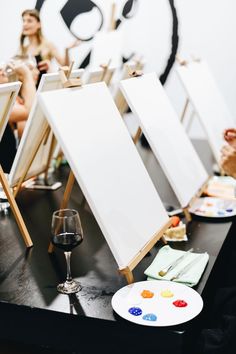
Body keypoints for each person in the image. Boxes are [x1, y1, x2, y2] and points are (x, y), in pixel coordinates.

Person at [18, 9, 80, 83]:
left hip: (43, 88)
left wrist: (66, 50)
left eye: (29, 21)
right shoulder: (23, 49)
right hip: (29, 90)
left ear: (39, 24)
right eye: (23, 21)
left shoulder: (48, 45)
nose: (25, 24)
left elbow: (65, 66)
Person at [0, 62, 36, 173]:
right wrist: (26, 75)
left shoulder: (11, 100)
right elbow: (29, 111)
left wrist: (26, 80)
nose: (1, 69)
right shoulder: (2, 103)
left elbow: (26, 130)